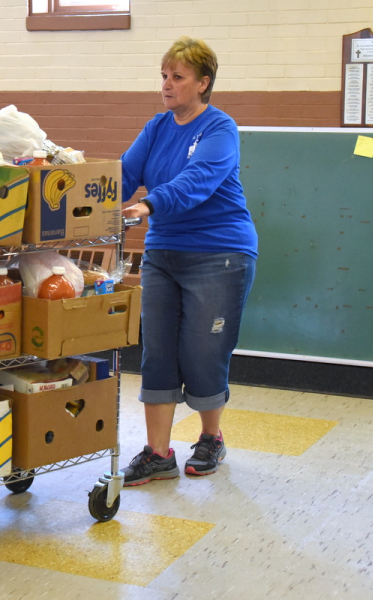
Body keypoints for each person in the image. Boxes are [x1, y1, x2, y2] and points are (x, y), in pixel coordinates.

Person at [120, 37, 258, 485]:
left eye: (177, 77)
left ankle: (210, 438)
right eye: (163, 75)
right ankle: (158, 453)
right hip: (163, 254)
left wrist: (150, 204)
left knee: (202, 352)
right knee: (157, 351)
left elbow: (196, 180)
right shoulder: (157, 127)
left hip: (219, 254)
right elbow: (123, 175)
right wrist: (83, 204)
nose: (167, 84)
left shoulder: (220, 129)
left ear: (203, 83)